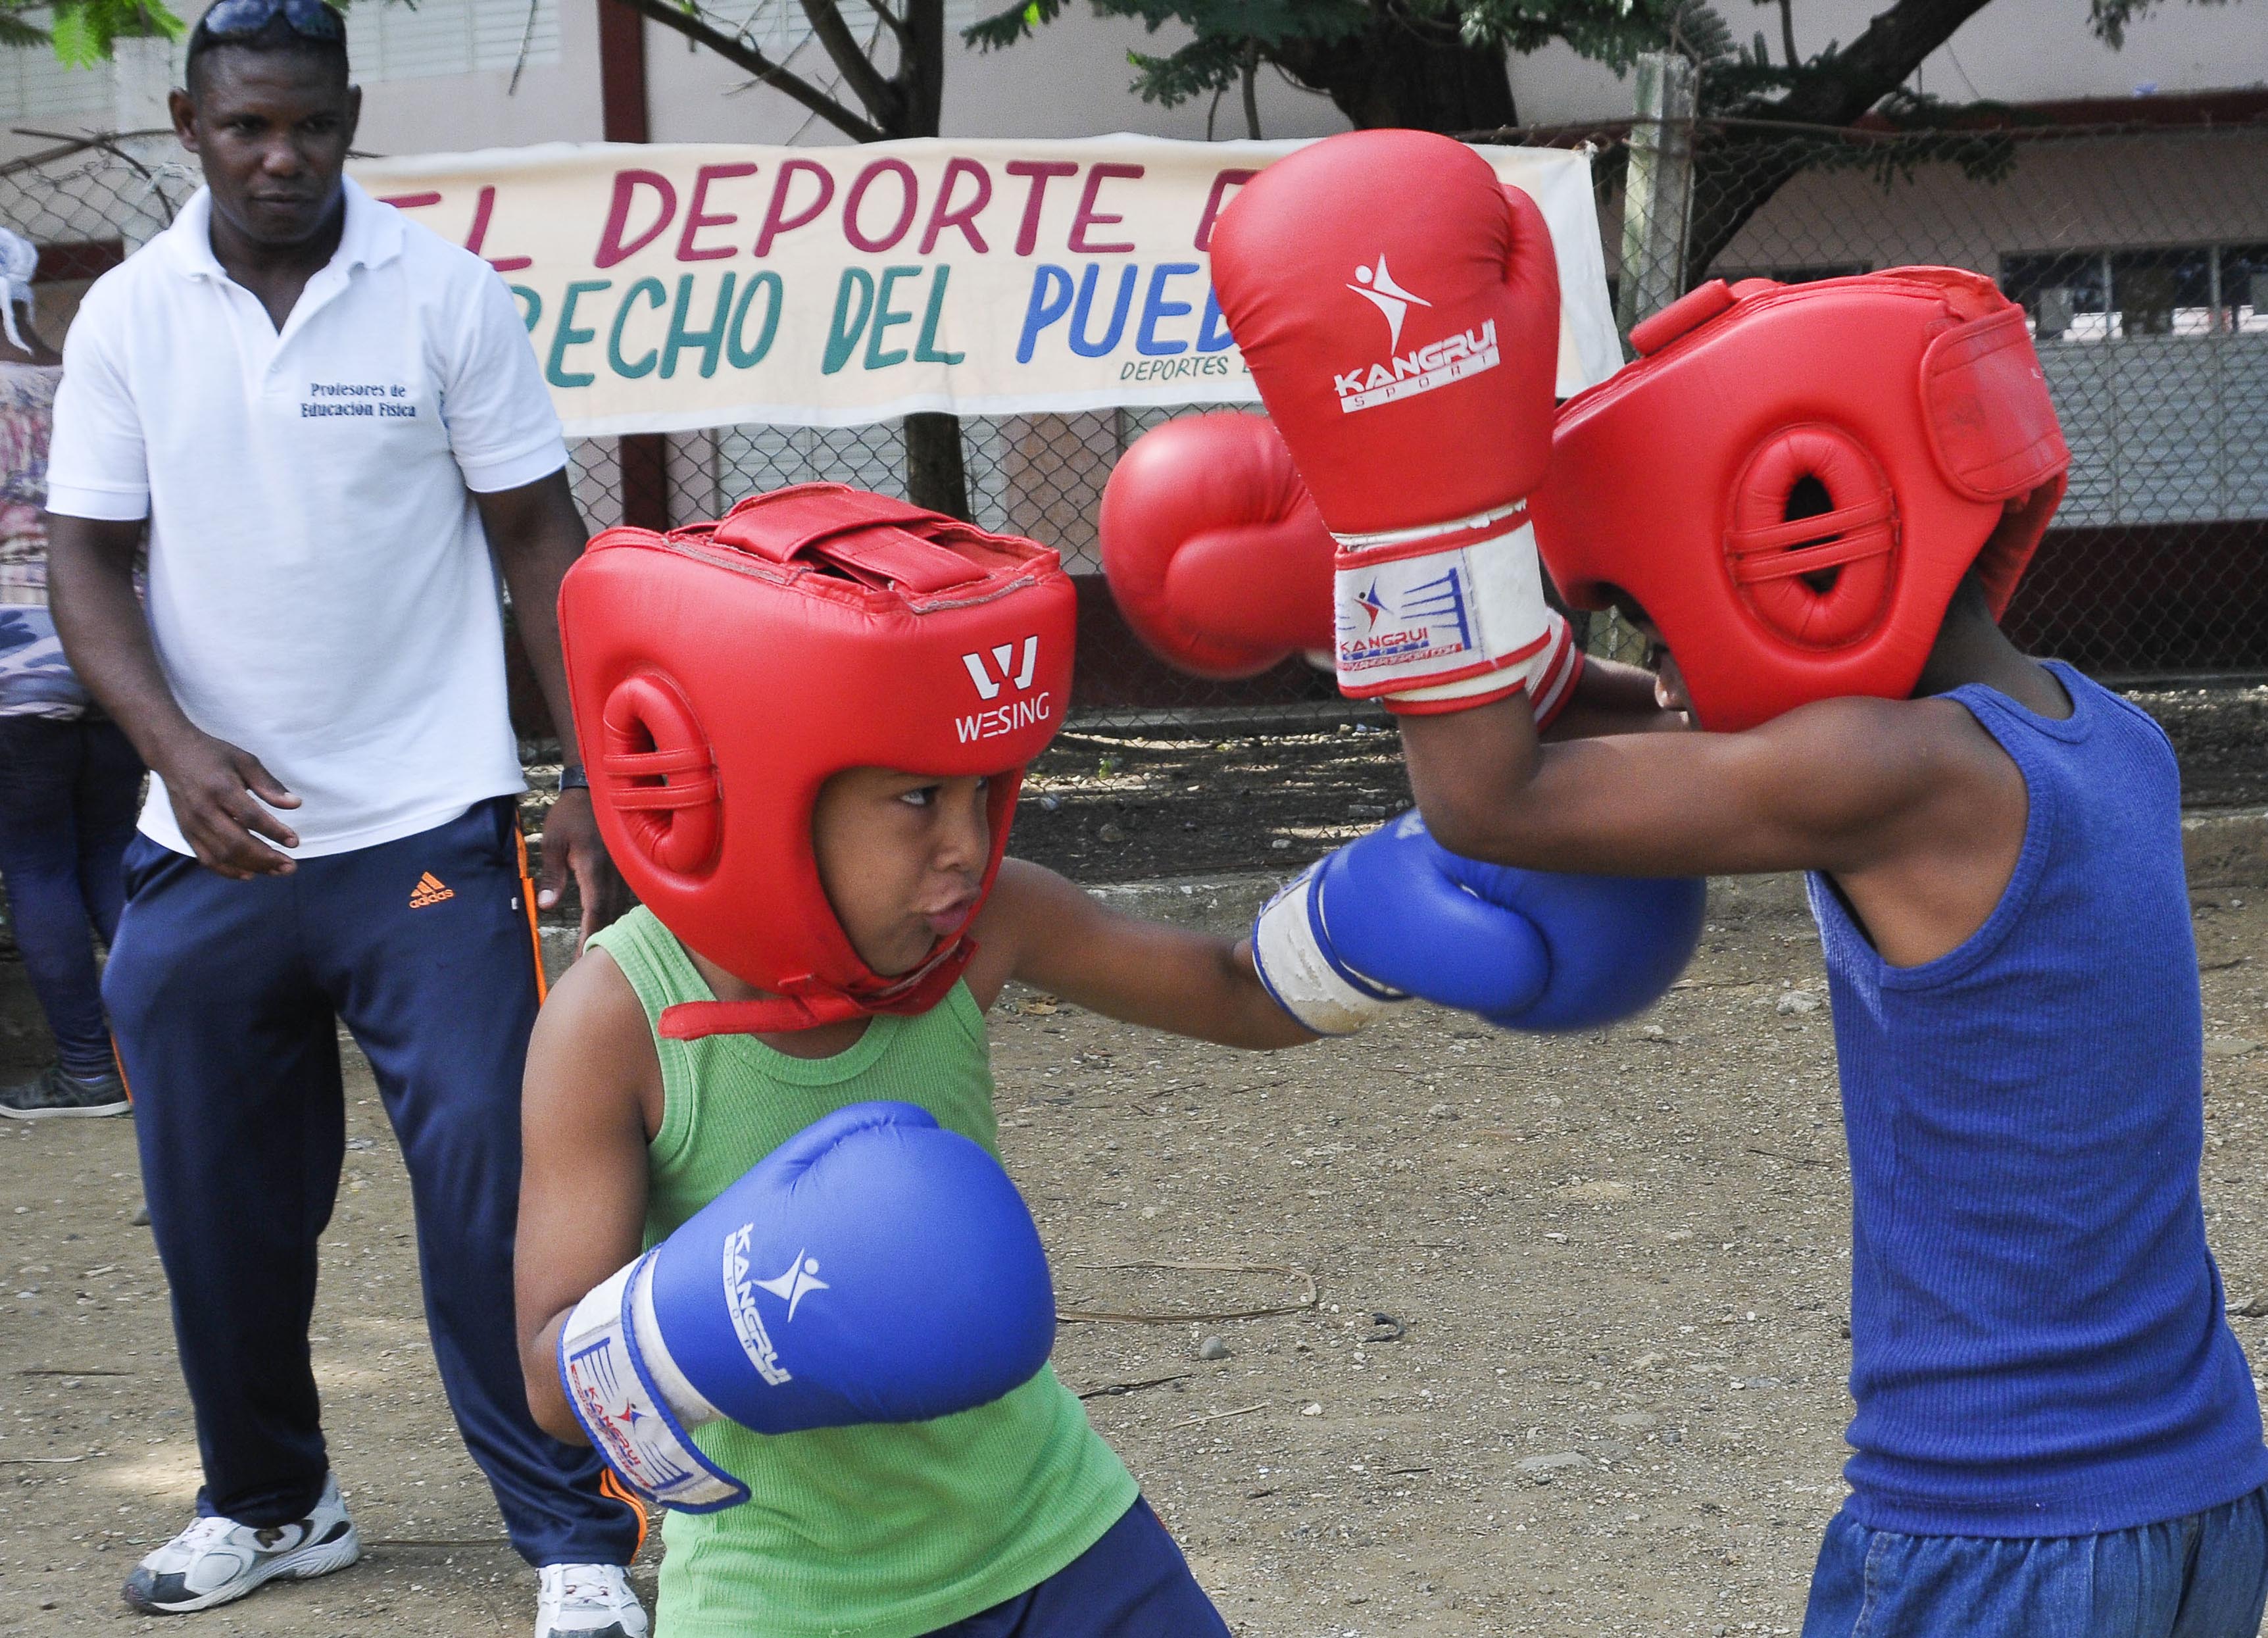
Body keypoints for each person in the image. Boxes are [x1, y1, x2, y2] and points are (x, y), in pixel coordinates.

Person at [1203, 128, 2268, 1638]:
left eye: (1662, 602)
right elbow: (1651, 733)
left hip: (2000, 1527)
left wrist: (1409, 517)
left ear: (1797, 539)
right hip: (2193, 1492)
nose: (1667, 662)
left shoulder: (1896, 780)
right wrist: (1379, 610)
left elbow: (1485, 798)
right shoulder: (2101, 738)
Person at [517, 485, 1700, 1637]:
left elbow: (1233, 989)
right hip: (795, 1601)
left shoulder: (981, 930)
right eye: (917, 796)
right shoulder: (613, 1020)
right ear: (753, 787)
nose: (966, 847)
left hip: (1059, 1533)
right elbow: (548, 1380)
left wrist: (1384, 919)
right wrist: (715, 1316)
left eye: (985, 789)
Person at [42, 3, 645, 1631]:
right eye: (246, 127)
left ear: (350, 115)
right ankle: (275, 1502)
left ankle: (572, 1539)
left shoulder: (442, 296)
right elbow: (84, 557)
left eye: (308, 124)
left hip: (428, 835)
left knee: (491, 1198)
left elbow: (539, 538)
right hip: (211, 846)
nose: (280, 155)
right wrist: (172, 748)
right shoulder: (127, 322)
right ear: (189, 122)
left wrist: (587, 767)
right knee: (218, 1210)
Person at [0, 226, 141, 1120]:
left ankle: (88, 1069)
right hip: (117, 645)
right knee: (105, 857)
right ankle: (153, 1059)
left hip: (15, 660)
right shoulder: (76, 374)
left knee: (36, 863)